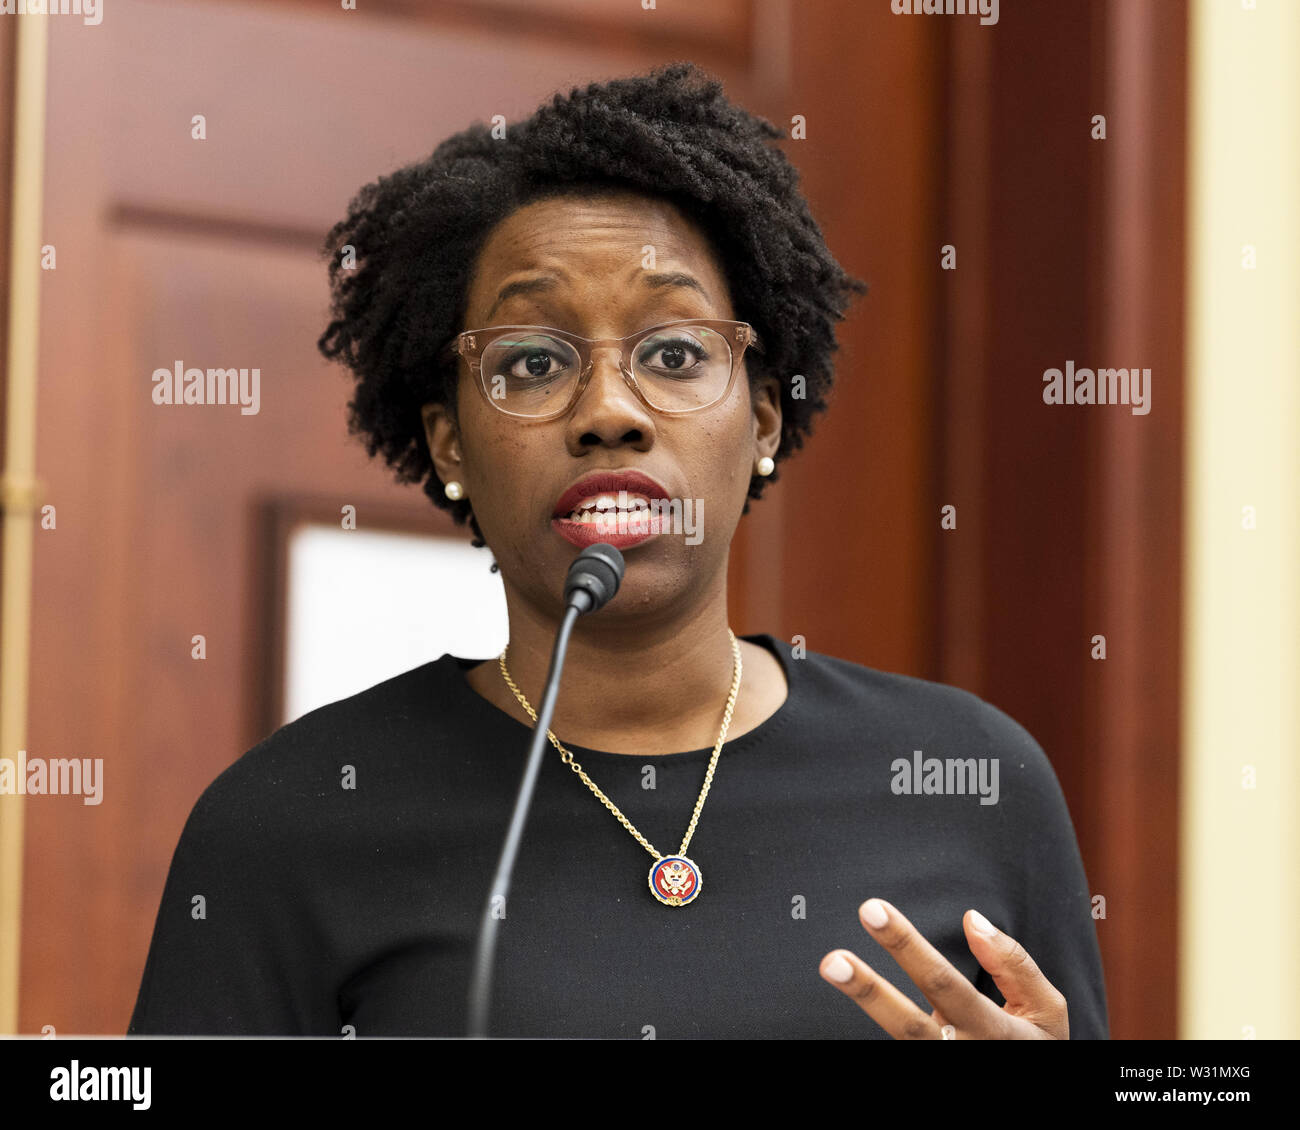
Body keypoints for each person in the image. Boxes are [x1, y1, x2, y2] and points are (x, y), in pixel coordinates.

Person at [128, 62, 1107, 1039]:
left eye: (674, 353)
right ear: (448, 442)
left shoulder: (969, 775)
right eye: (533, 361)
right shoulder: (286, 824)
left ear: (763, 418)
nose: (607, 412)